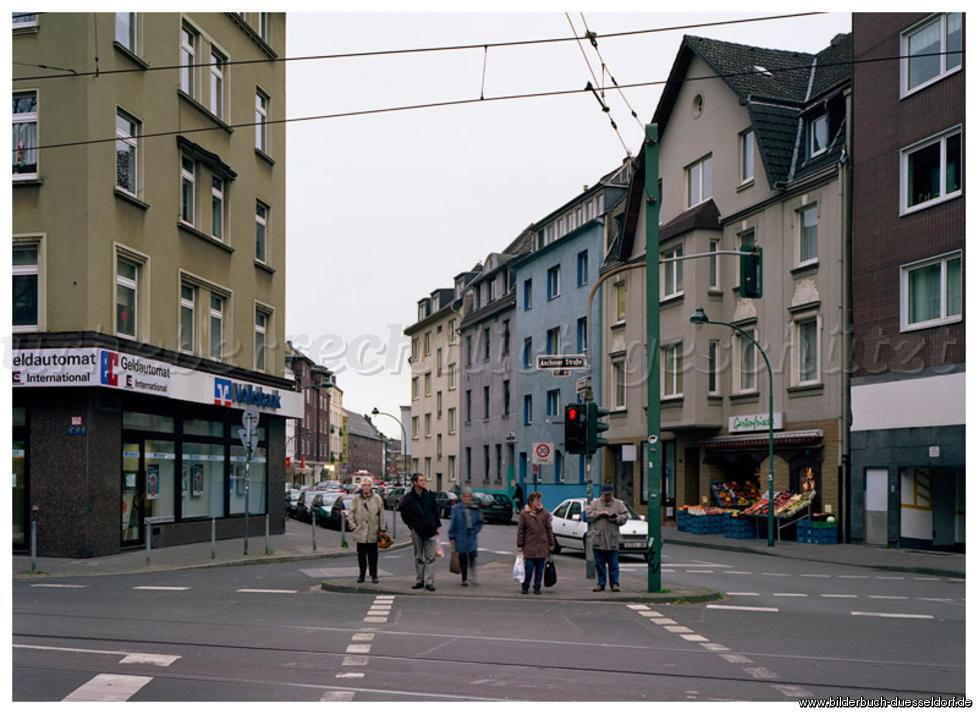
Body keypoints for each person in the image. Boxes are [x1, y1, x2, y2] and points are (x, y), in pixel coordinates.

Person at [400, 473, 441, 591]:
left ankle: (430, 582)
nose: (424, 482)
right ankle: (419, 580)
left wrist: (437, 525)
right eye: (421, 480)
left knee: (430, 557)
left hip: (430, 529)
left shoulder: (429, 495)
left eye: (424, 480)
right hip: (417, 530)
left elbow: (435, 511)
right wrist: (411, 525)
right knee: (418, 557)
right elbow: (404, 513)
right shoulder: (408, 498)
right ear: (414, 482)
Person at [585, 484, 629, 592]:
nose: (607, 496)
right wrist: (599, 513)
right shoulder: (595, 503)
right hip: (598, 539)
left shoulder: (619, 504)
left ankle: (615, 584)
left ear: (612, 493)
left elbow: (625, 516)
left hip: (612, 539)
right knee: (599, 565)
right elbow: (588, 515)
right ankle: (601, 583)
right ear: (602, 494)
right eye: (606, 494)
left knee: (613, 564)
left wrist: (617, 518)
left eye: (609, 494)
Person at [349, 476, 387, 584]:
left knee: (373, 556)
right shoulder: (356, 498)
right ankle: (362, 574)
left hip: (373, 532)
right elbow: (351, 513)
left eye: (368, 485)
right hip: (360, 532)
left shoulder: (377, 498)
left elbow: (381, 514)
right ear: (361, 486)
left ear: (371, 486)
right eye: (364, 485)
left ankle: (374, 575)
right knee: (361, 556)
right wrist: (353, 526)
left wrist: (382, 528)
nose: (366, 487)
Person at [516, 491, 554, 595]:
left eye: (539, 500)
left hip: (542, 545)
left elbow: (549, 529)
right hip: (530, 546)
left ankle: (537, 587)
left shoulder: (544, 513)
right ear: (531, 502)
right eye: (537, 500)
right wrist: (520, 545)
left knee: (540, 569)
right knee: (529, 568)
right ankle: (525, 586)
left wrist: (551, 543)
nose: (539, 503)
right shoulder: (524, 514)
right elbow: (521, 531)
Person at [448, 487, 484, 586]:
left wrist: (476, 530)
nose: (467, 499)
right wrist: (452, 537)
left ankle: (473, 576)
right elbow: (453, 523)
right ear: (461, 497)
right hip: (460, 537)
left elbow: (480, 522)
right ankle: (464, 578)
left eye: (469, 497)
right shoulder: (456, 508)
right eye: (465, 496)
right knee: (463, 559)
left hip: (471, 537)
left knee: (472, 557)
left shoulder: (475, 508)